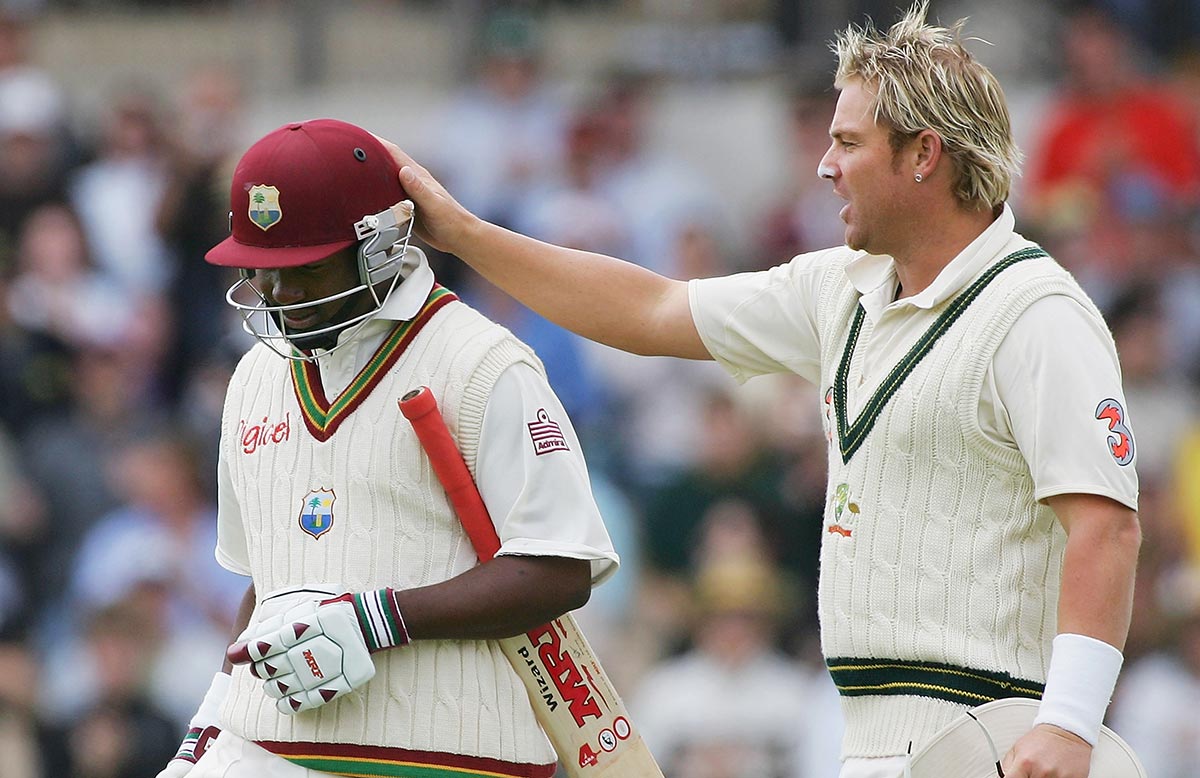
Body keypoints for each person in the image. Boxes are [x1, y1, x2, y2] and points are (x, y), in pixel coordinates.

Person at [379, 3, 1142, 777]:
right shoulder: (839, 288)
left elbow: (1106, 527)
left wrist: (1069, 724)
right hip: (867, 738)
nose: (825, 164)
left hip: (998, 739)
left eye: (849, 142)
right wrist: (465, 236)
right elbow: (652, 309)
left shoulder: (1036, 313)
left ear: (923, 154)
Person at [156, 118, 618, 778]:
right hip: (266, 749)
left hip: (449, 757)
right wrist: (211, 720)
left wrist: (377, 620)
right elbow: (272, 581)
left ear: (379, 243)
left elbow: (559, 569)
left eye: (307, 269)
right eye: (265, 270)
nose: (283, 296)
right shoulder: (253, 375)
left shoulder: (483, 363)